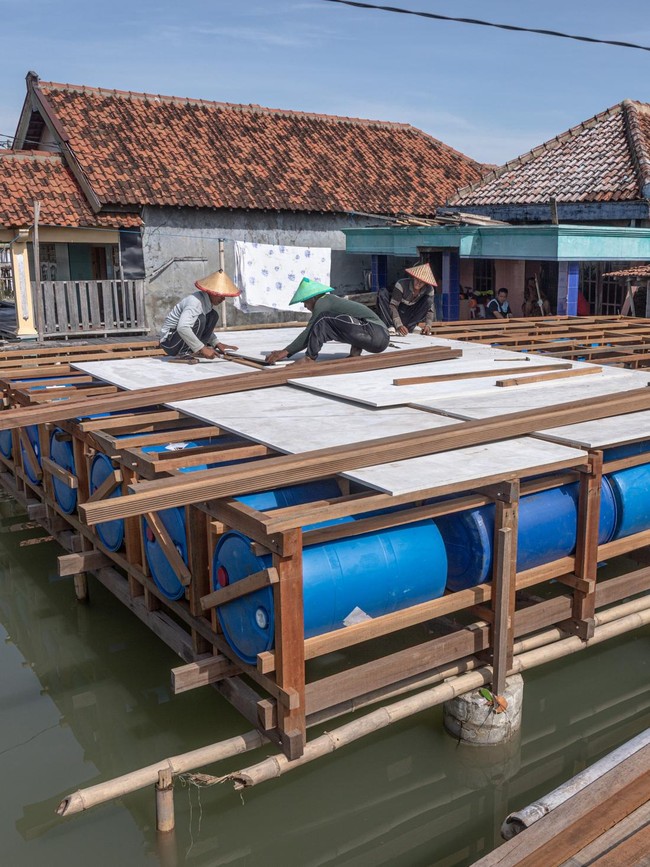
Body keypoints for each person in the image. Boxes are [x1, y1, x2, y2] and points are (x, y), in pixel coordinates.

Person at [265, 277, 389, 366]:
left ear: (313, 298)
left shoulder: (323, 302)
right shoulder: (330, 301)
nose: (305, 306)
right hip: (378, 337)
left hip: (376, 332)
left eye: (305, 302)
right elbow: (353, 324)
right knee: (341, 322)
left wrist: (285, 352)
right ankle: (355, 354)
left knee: (323, 320)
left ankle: (309, 358)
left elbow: (309, 331)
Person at [159, 270, 240, 358]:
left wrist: (216, 343)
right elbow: (182, 327)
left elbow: (205, 327)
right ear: (210, 292)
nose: (223, 299)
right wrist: (202, 348)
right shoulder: (195, 302)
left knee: (213, 315)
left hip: (179, 340)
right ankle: (185, 352)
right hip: (169, 343)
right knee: (200, 319)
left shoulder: (206, 304)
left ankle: (196, 349)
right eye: (220, 295)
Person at [377, 262, 438, 335]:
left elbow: (430, 309)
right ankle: (390, 326)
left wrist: (428, 325)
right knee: (382, 292)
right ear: (413, 277)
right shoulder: (401, 284)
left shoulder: (429, 289)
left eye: (422, 282)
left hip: (411, 313)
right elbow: (393, 306)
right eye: (417, 280)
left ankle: (410, 327)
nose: (418, 283)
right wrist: (399, 325)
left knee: (429, 301)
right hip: (397, 312)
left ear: (425, 283)